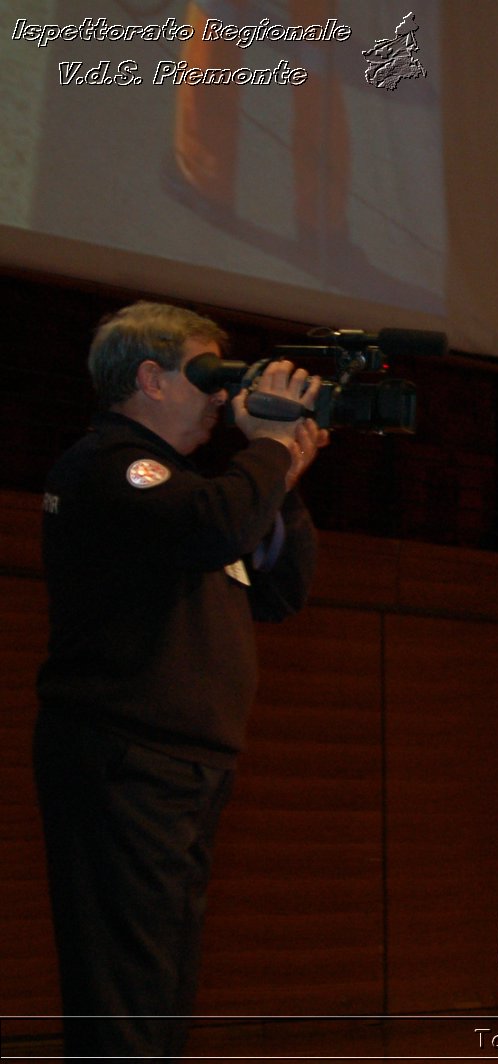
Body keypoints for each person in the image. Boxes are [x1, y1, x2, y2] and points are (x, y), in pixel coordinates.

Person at [32, 301, 329, 1060]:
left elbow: (281, 590)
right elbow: (215, 526)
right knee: (126, 983)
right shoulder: (112, 465)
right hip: (125, 757)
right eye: (209, 375)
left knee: (163, 976)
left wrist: (283, 473)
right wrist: (262, 449)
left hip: (184, 766)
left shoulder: (196, 492)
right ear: (151, 377)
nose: (224, 396)